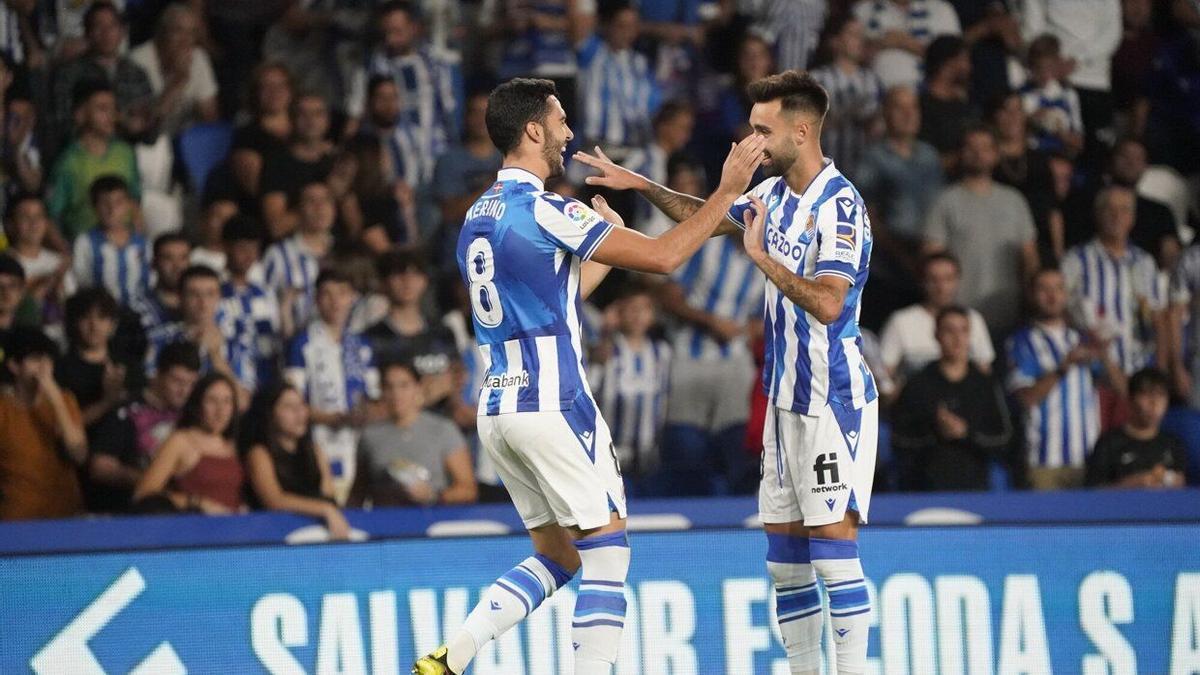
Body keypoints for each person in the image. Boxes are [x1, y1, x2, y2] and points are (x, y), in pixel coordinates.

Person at [412, 77, 764, 675]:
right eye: (560, 121)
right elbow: (664, 258)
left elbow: (558, 299)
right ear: (533, 130)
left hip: (499, 411)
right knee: (607, 552)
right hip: (554, 403)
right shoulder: (551, 209)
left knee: (559, 556)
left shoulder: (477, 215)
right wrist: (727, 189)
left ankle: (451, 657)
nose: (569, 133)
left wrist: (595, 249)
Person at [578, 69, 877, 675]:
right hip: (781, 399)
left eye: (763, 131)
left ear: (802, 129)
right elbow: (707, 214)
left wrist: (761, 256)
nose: (751, 142)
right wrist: (637, 183)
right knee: (786, 562)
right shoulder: (772, 195)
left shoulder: (840, 203)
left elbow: (829, 302)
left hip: (831, 399)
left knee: (833, 555)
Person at [656, 159, 763, 496]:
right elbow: (669, 297)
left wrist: (749, 330)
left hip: (735, 364)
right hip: (690, 357)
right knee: (686, 447)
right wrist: (710, 321)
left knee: (735, 447)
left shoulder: (767, 260)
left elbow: (762, 320)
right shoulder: (707, 245)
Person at [1008, 267, 1124, 490]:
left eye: (1058, 288)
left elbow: (1121, 389)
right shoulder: (1021, 342)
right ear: (1031, 294)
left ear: (1066, 295)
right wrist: (1064, 367)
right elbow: (1026, 399)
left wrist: (1104, 354)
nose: (1052, 295)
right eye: (1044, 289)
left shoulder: (1082, 339)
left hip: (1089, 460)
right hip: (1044, 463)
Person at [922, 125, 1038, 336]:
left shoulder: (1014, 201)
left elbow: (1029, 258)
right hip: (958, 321)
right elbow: (932, 258)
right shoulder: (945, 201)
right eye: (971, 148)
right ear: (961, 154)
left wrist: (1031, 303)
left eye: (985, 148)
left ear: (996, 154)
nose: (978, 154)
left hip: (1009, 316)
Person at [284, 268, 380, 505]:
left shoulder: (361, 345)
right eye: (327, 294)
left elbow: (374, 396)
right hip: (318, 443)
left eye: (342, 293)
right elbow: (292, 400)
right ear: (317, 299)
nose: (335, 302)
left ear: (353, 298)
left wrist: (365, 414)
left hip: (359, 444)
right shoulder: (302, 343)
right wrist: (334, 419)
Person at [892, 306, 1012, 490]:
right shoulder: (918, 383)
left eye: (963, 330)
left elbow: (1003, 437)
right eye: (949, 330)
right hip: (924, 489)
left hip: (976, 489)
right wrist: (935, 429)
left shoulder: (985, 384)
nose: (957, 338)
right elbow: (900, 439)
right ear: (937, 335)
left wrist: (966, 433)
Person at [854, 85, 943, 324]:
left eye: (913, 107)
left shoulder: (930, 157)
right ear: (885, 114)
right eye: (899, 107)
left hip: (926, 270)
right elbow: (864, 215)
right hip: (886, 271)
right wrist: (902, 256)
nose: (908, 114)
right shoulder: (872, 159)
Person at [1061, 185, 1166, 377]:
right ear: (1097, 215)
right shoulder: (1076, 260)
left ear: (1132, 218)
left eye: (1124, 210)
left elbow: (1157, 317)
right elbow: (1060, 311)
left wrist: (1160, 368)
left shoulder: (1145, 262)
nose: (1117, 216)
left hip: (1138, 369)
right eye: (1110, 209)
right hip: (1093, 370)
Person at [86, 341, 200, 513]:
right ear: (158, 374)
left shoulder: (194, 414)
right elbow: (100, 467)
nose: (184, 391)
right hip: (130, 513)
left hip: (183, 513)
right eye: (177, 381)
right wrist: (149, 478)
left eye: (191, 384)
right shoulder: (127, 410)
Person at [351, 360, 475, 507]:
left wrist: (433, 495)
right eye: (389, 387)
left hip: (433, 522)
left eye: (404, 385)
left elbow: (468, 489)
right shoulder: (370, 436)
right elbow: (357, 493)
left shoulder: (443, 430)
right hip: (386, 524)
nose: (396, 394)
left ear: (418, 387)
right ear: (382, 391)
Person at [0, 328, 87, 520]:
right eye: (36, 359)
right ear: (14, 365)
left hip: (66, 517)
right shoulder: (3, 408)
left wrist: (56, 399)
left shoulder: (65, 399)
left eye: (48, 360)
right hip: (17, 520)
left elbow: (79, 454)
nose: (45, 368)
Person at [244, 382, 349, 538]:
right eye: (288, 407)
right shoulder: (259, 453)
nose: (299, 413)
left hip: (314, 533)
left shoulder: (315, 451)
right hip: (274, 535)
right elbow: (274, 500)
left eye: (301, 405)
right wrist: (324, 509)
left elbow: (328, 496)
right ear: (270, 413)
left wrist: (327, 509)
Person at [592, 285, 671, 487]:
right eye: (631, 309)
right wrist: (605, 333)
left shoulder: (661, 352)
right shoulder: (608, 350)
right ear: (619, 313)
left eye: (644, 309)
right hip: (610, 450)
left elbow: (665, 398)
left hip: (648, 451)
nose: (638, 315)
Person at [49, 0, 154, 153]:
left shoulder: (136, 73)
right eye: (98, 26)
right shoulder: (69, 73)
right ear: (87, 32)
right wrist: (116, 122)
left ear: (122, 31)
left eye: (112, 26)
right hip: (86, 151)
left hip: (131, 148)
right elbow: (62, 124)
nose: (106, 33)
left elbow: (149, 124)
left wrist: (142, 125)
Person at [133, 372, 246, 513]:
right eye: (212, 400)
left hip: (235, 530)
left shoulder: (234, 444)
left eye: (227, 401)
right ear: (198, 404)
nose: (220, 410)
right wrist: (196, 503)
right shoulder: (180, 441)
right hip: (192, 529)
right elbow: (144, 494)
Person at [879, 252, 994, 385]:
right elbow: (883, 374)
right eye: (934, 280)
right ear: (922, 282)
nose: (941, 287)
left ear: (958, 281)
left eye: (948, 279)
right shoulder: (900, 321)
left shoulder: (973, 319)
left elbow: (984, 370)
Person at [145, 265, 253, 406]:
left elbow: (243, 402)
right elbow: (150, 395)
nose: (203, 303)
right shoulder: (159, 339)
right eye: (194, 294)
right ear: (180, 297)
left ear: (219, 297)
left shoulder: (238, 342)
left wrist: (215, 355)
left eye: (210, 294)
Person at [365, 248, 458, 409]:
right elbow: (371, 405)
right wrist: (423, 397)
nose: (408, 280)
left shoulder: (443, 333)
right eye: (398, 273)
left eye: (416, 273)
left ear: (425, 281)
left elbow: (458, 381)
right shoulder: (371, 339)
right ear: (384, 282)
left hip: (444, 428)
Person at [48, 82, 141, 240]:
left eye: (114, 109)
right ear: (80, 114)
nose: (112, 116)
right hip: (84, 248)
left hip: (124, 245)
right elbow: (52, 215)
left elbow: (134, 201)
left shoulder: (125, 153)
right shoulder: (68, 162)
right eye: (103, 109)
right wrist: (67, 252)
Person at [575, 1, 659, 160]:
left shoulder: (640, 63)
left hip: (634, 151)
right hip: (596, 150)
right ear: (607, 26)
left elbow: (653, 106)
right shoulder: (592, 53)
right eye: (621, 26)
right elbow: (578, 23)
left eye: (632, 27)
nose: (627, 32)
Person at [1086, 367, 1188, 488]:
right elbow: (1092, 493)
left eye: (1160, 395)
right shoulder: (1108, 444)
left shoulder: (1173, 444)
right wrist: (1130, 484)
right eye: (1146, 394)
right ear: (1130, 400)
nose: (1154, 402)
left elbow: (1183, 488)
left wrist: (1176, 482)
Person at [129, 2, 219, 137]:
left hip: (186, 141)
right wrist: (178, 81)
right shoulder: (137, 61)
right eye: (178, 31)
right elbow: (144, 125)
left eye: (191, 33)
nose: (185, 40)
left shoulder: (198, 57)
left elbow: (210, 118)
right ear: (161, 32)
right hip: (149, 142)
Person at [432, 90, 503, 257]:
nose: (481, 119)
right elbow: (450, 212)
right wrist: (494, 186)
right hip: (461, 254)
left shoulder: (512, 158)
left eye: (486, 113)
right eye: (475, 112)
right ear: (465, 117)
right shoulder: (449, 161)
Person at [810, 15, 882, 179]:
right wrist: (846, 115)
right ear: (835, 41)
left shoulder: (871, 79)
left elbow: (877, 128)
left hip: (864, 171)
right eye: (853, 34)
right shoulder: (817, 79)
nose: (860, 40)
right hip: (822, 169)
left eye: (861, 35)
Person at [260, 94, 338, 240]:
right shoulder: (277, 164)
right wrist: (327, 195)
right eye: (303, 114)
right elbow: (276, 227)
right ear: (291, 119)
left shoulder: (337, 161)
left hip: (337, 248)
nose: (311, 120)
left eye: (318, 113)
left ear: (328, 120)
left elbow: (357, 225)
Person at [262, 180, 335, 337]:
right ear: (297, 210)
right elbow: (265, 307)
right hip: (293, 349)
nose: (320, 208)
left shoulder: (346, 252)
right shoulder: (277, 256)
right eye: (311, 201)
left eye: (326, 200)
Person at [218, 215, 279, 394]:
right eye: (242, 248)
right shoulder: (214, 292)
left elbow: (274, 342)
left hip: (264, 387)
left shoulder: (266, 294)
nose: (249, 255)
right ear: (226, 247)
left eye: (254, 249)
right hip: (229, 388)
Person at [71, 175, 150, 306]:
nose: (112, 210)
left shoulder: (143, 243)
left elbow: (149, 282)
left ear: (128, 205)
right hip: (102, 313)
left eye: (118, 203)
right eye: (105, 203)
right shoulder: (85, 243)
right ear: (94, 206)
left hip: (140, 313)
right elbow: (82, 282)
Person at [621, 100, 695, 237]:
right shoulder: (643, 157)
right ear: (664, 126)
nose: (686, 135)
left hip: (665, 235)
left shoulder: (672, 163)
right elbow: (614, 180)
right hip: (642, 233)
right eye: (682, 128)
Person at [853, 0, 962, 90]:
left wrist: (907, 44)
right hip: (874, 99)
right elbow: (846, 59)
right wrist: (878, 44)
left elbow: (955, 61)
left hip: (929, 99)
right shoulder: (863, 11)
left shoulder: (942, 10)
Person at [4, 194, 71, 321]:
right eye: (25, 217)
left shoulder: (59, 262)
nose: (33, 223)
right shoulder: (5, 265)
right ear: (10, 224)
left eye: (38, 216)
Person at [918, 35, 979, 166]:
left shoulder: (966, 107)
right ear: (949, 63)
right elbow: (923, 161)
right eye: (965, 60)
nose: (970, 67)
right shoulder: (921, 108)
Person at [1019, 34, 1084, 158]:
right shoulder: (1021, 95)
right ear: (1030, 67)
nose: (1044, 75)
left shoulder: (1068, 95)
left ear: (1057, 66)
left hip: (1061, 155)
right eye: (1038, 69)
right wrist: (1031, 120)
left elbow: (1079, 142)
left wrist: (1060, 133)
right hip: (1033, 154)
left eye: (1049, 68)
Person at [132, 231, 190, 331]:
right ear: (154, 263)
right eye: (168, 258)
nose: (177, 266)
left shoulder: (203, 305)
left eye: (183, 258)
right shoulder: (138, 309)